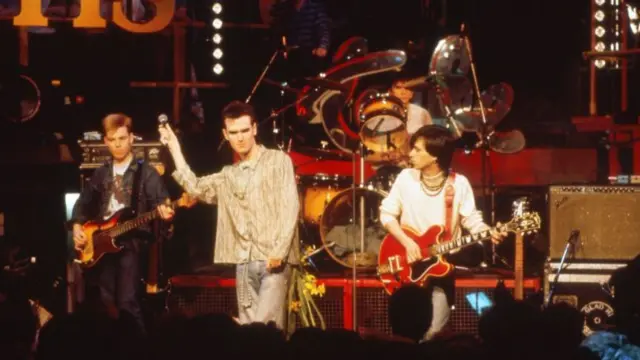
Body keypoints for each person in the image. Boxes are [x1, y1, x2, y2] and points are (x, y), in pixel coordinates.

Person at [158, 101, 300, 328]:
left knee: (266, 331)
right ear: (226, 134)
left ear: (254, 129)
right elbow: (195, 187)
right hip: (243, 261)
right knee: (247, 331)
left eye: (245, 130)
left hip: (274, 260)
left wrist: (280, 250)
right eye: (234, 133)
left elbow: (290, 205)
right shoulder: (228, 174)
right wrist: (174, 147)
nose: (240, 138)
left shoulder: (278, 161)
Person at [379, 125, 506, 340]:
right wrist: (408, 243)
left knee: (433, 334)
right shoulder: (405, 178)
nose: (411, 154)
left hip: (441, 267)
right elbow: (387, 214)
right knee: (406, 335)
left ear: (435, 156)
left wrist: (488, 232)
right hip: (408, 265)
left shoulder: (459, 184)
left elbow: (472, 219)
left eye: (418, 150)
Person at [70, 113, 175, 333]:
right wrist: (78, 227)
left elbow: (163, 202)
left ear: (131, 138)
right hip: (101, 244)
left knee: (128, 302)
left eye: (122, 138)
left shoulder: (145, 172)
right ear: (106, 141)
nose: (118, 144)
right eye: (113, 139)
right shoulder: (101, 173)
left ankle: (137, 349)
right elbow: (82, 204)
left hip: (131, 242)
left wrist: (167, 214)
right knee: (105, 303)